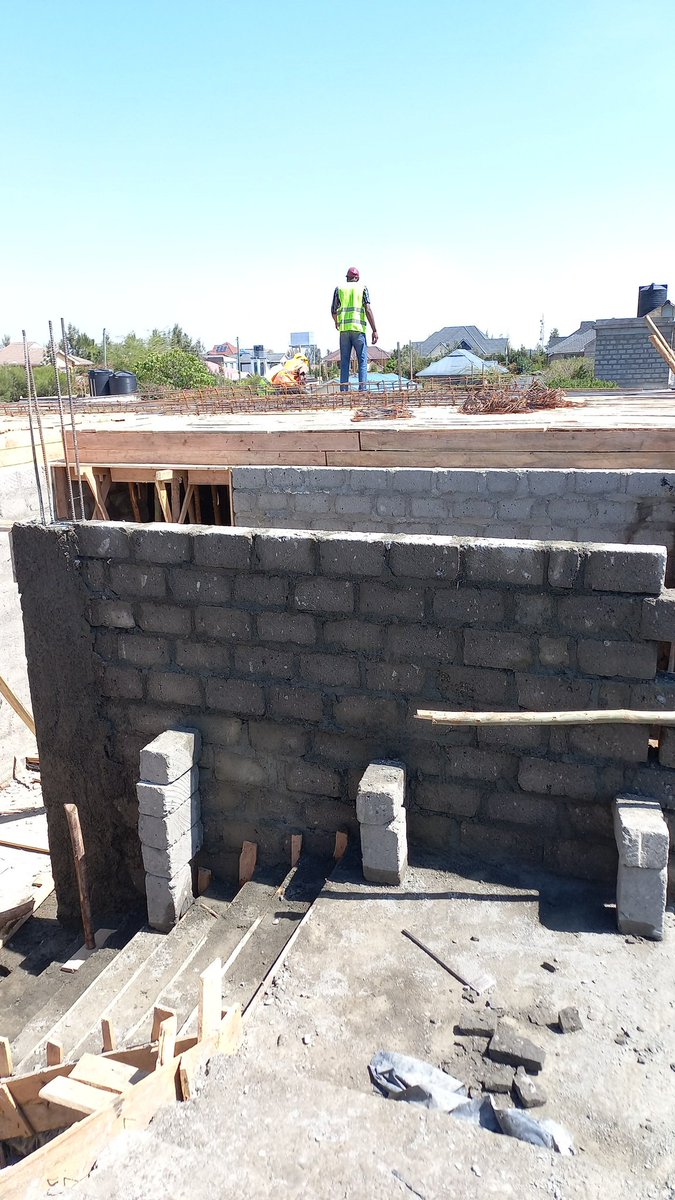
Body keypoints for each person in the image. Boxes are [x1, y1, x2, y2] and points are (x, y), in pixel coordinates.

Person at [331, 267, 378, 392]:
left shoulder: (339, 289)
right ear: (357, 278)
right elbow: (368, 309)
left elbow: (333, 310)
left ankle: (344, 391)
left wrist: (337, 321)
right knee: (362, 361)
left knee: (345, 362)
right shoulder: (363, 288)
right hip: (358, 330)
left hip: (344, 331)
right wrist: (374, 330)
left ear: (347, 278)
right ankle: (362, 390)